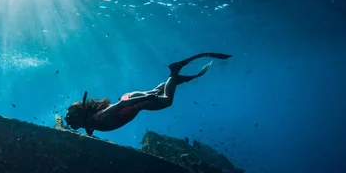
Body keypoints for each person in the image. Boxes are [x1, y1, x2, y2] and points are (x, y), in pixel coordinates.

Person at [63, 53, 232, 136]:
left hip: (135, 103)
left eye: (70, 118)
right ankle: (173, 79)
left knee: (166, 101)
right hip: (129, 97)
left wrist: (146, 99)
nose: (68, 121)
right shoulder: (90, 122)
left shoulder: (98, 118)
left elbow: (122, 106)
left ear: (81, 115)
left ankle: (174, 73)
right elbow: (90, 128)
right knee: (159, 90)